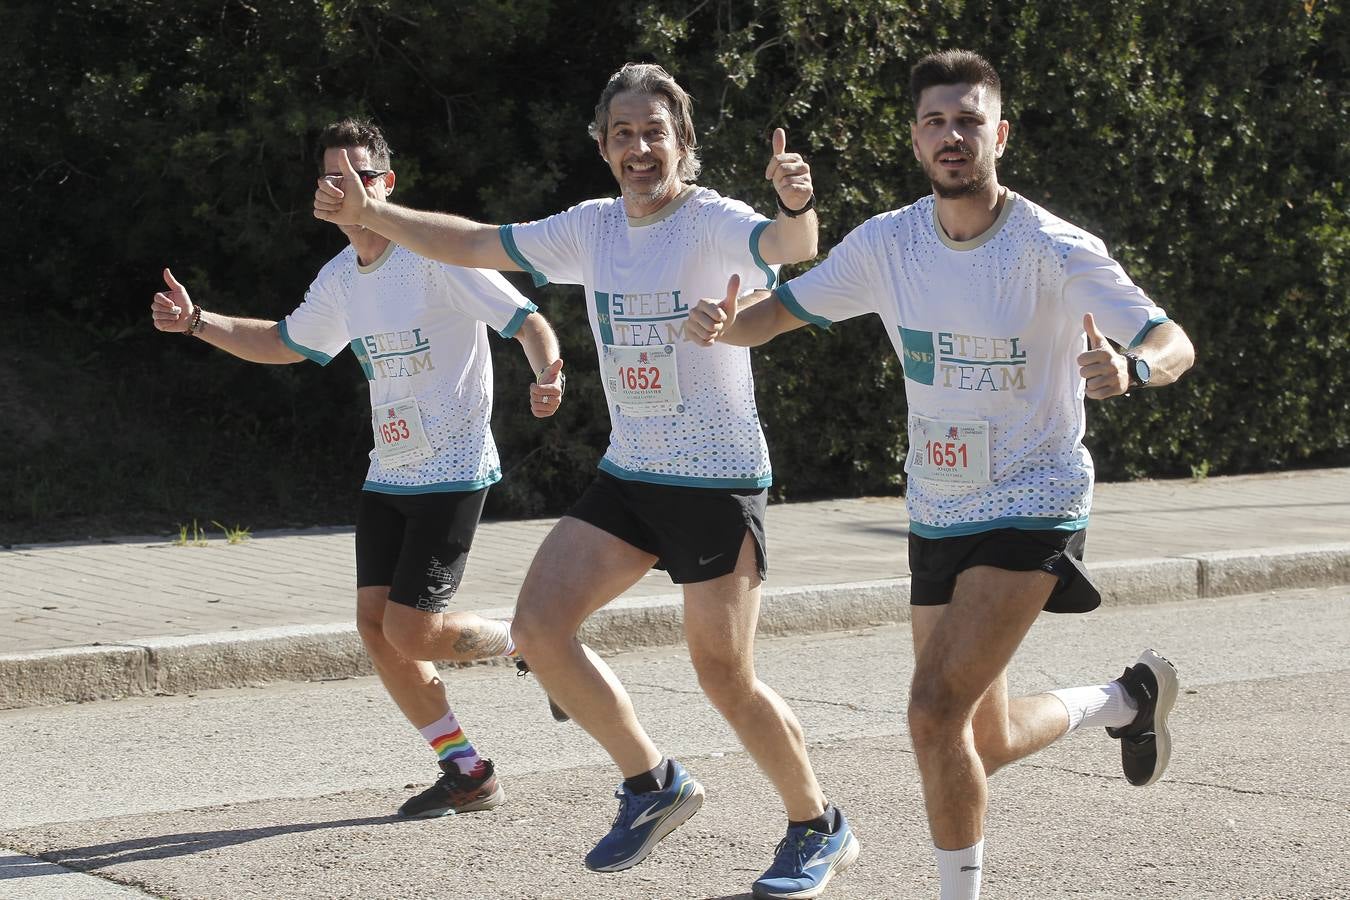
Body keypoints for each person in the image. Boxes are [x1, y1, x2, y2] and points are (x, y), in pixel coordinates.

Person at [313, 64, 858, 899]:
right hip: (631, 473)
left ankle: (817, 825)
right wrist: (374, 213)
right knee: (538, 628)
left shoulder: (711, 221)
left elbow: (791, 249)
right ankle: (653, 782)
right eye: (623, 134)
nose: (641, 148)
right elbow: (472, 241)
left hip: (715, 479)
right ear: (603, 147)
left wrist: (794, 203)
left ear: (684, 145)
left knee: (725, 676)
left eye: (656, 133)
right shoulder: (592, 227)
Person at [686, 49, 1195, 900]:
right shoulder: (888, 244)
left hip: (1034, 499)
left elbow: (1169, 338)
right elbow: (776, 315)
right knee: (976, 739)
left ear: (999, 135)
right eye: (935, 122)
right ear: (916, 139)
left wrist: (1136, 370)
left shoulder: (1053, 248)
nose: (952, 136)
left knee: (930, 714)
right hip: (939, 506)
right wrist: (720, 324)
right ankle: (1127, 701)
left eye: (968, 121)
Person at [151, 118, 566, 821]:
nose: (343, 185)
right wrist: (198, 323)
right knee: (377, 629)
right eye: (331, 176)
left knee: (411, 630)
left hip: (454, 469)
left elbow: (526, 320)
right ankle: (466, 770)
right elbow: (285, 343)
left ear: (387, 185)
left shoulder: (437, 257)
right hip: (389, 474)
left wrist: (548, 371)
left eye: (359, 174)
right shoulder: (341, 279)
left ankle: (535, 643)